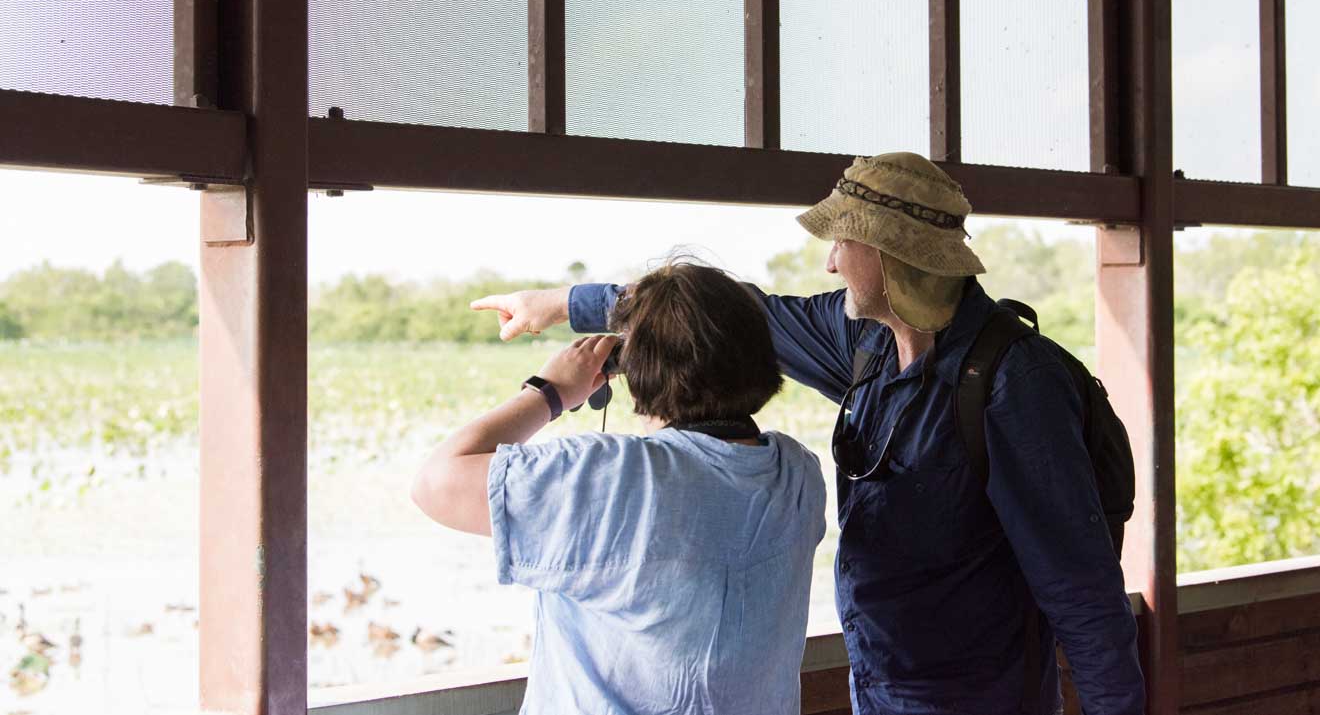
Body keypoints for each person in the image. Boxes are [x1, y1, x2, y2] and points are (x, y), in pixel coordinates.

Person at [475, 153, 1144, 715]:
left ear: (887, 253)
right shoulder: (863, 338)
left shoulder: (1015, 385)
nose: (829, 264)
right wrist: (564, 305)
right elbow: (726, 318)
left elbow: (1083, 596)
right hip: (878, 689)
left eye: (841, 243)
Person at [414, 261, 827, 715]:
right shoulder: (798, 475)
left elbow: (435, 484)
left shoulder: (615, 477)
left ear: (634, 368)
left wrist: (549, 391)